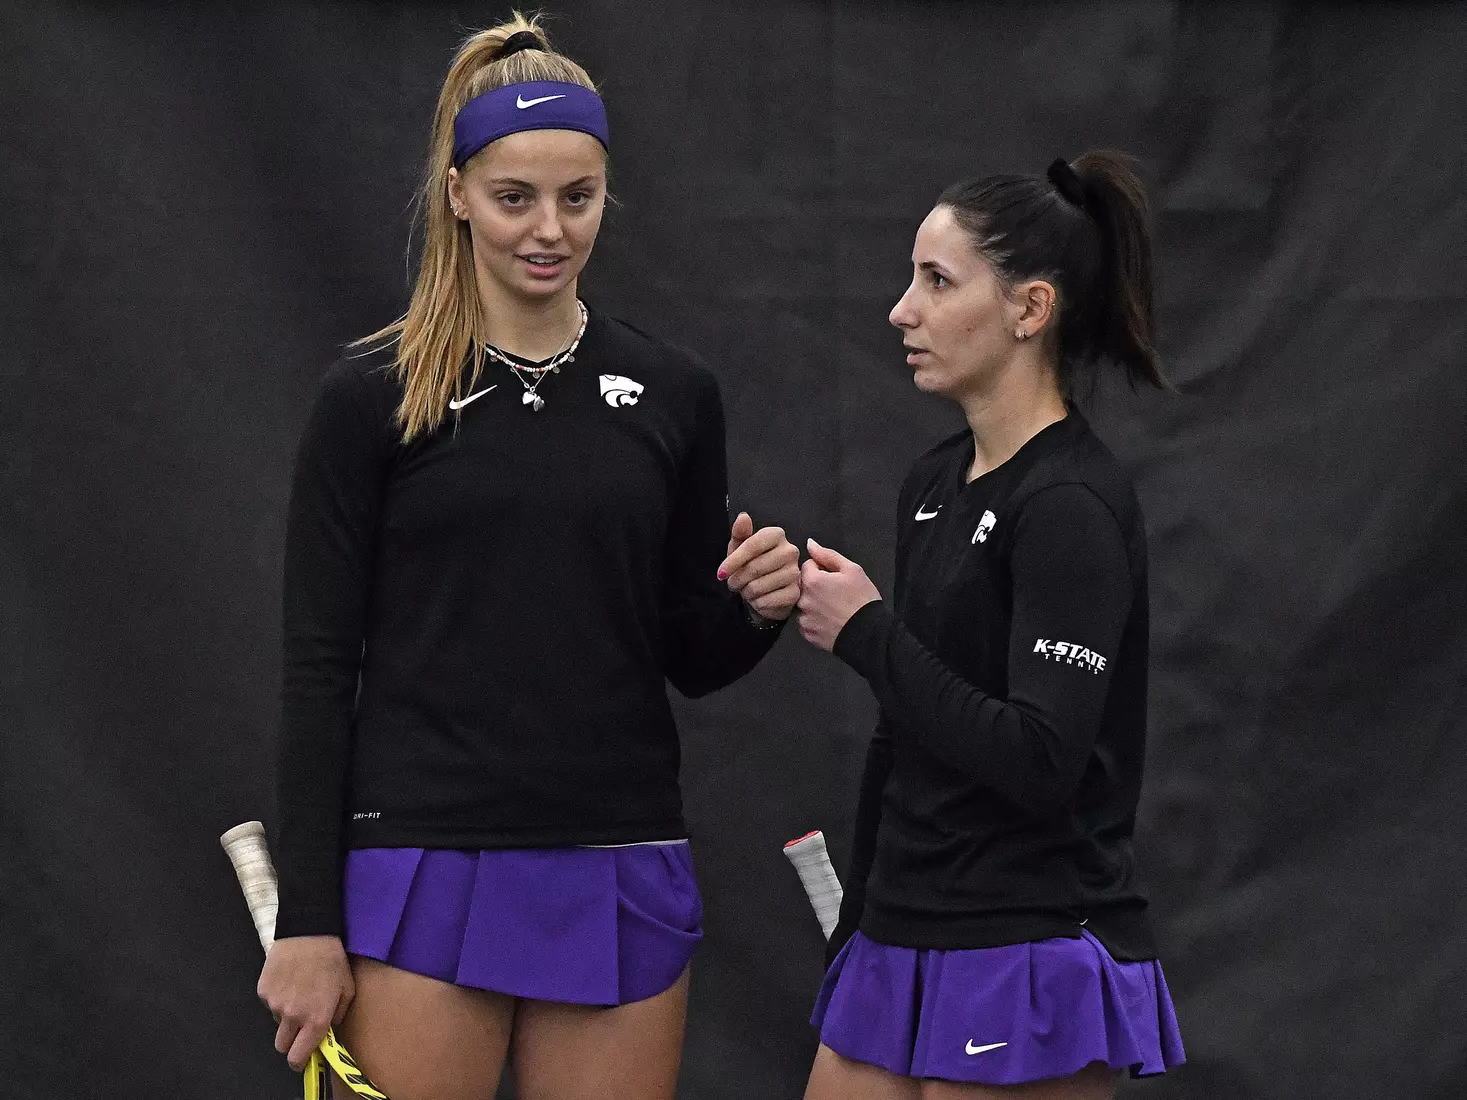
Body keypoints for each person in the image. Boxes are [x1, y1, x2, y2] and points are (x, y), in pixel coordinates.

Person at [255, 15, 801, 1100]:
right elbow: (320, 670)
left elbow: (684, 649)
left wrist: (754, 608)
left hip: (618, 857)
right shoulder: (368, 400)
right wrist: (311, 920)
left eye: (579, 196)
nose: (549, 229)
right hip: (421, 861)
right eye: (515, 197)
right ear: (457, 192)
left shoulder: (676, 393)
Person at [794, 153, 1186, 1099]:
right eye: (910, 278)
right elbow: (904, 720)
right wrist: (858, 925)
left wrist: (868, 633)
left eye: (936, 281)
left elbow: (1041, 758)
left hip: (1028, 943)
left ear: (1029, 309)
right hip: (897, 934)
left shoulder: (1070, 508)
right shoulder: (930, 485)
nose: (902, 309)